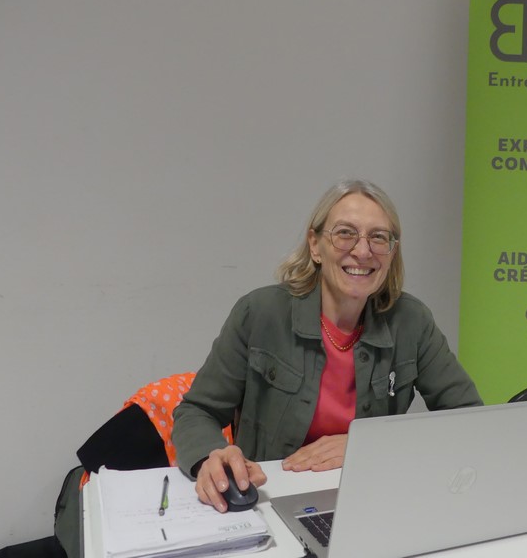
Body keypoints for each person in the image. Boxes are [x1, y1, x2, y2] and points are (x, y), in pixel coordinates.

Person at [172, 179, 482, 512]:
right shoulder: (260, 313)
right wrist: (210, 458)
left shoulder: (412, 321)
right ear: (315, 245)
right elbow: (196, 412)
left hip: (372, 499)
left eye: (378, 237)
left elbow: (470, 420)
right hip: (273, 500)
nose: (362, 251)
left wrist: (368, 446)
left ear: (392, 253)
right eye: (345, 233)